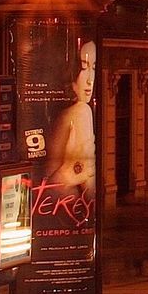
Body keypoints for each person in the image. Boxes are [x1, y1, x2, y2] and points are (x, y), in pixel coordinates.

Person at [43, 39, 97, 200]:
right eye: (83, 67)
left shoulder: (57, 114)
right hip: (65, 208)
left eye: (94, 68)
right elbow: (90, 190)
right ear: (70, 71)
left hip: (48, 204)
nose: (90, 79)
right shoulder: (81, 111)